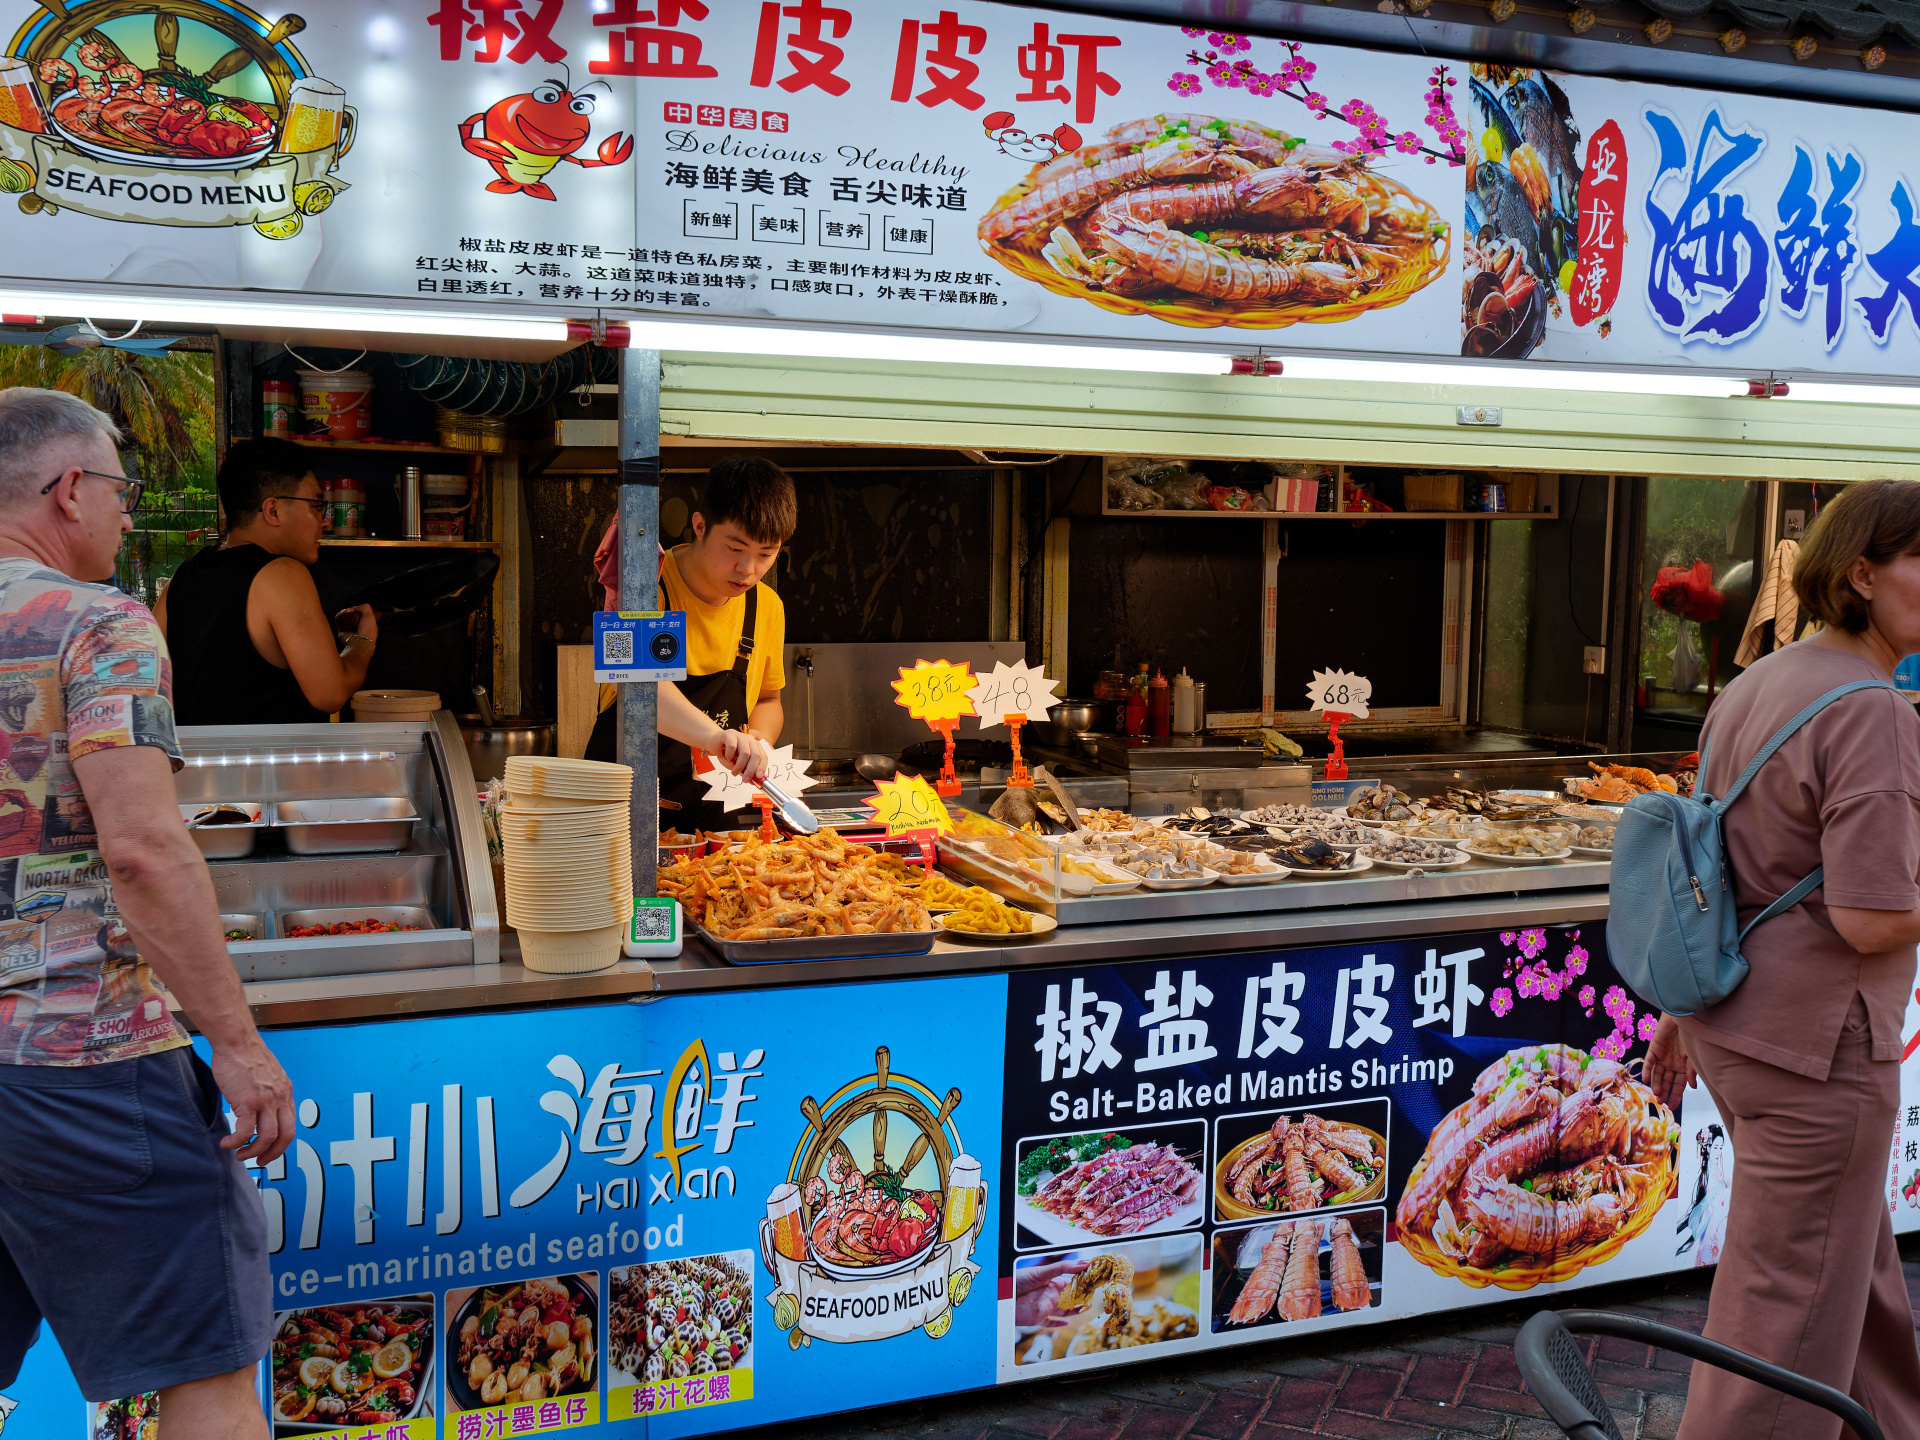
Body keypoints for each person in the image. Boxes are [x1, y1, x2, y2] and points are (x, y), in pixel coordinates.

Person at [0, 388, 293, 1439]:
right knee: (205, 1367)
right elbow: (142, 848)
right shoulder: (100, 623)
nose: (128, 513)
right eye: (122, 491)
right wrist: (238, 1045)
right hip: (85, 1058)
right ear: (70, 489)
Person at [1642, 478, 1920, 1440]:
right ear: (1863, 575)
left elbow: (1712, 863)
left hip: (1738, 1027)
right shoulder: (1874, 710)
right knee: (1786, 1312)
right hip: (1819, 1049)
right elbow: (1871, 919)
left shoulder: (1760, 681)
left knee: (1849, 1270)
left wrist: (1680, 1009)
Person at [588, 456, 793, 830]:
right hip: (622, 814)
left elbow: (768, 699)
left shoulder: (767, 606)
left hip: (714, 821)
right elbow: (636, 687)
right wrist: (716, 737)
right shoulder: (642, 585)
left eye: (766, 554)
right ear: (700, 525)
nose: (748, 570)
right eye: (735, 549)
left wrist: (757, 744)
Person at [155, 437, 378, 723]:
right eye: (316, 505)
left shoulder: (183, 574)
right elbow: (330, 693)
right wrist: (362, 642)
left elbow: (151, 672)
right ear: (273, 510)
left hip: (192, 752)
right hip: (269, 753)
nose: (325, 520)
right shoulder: (283, 573)